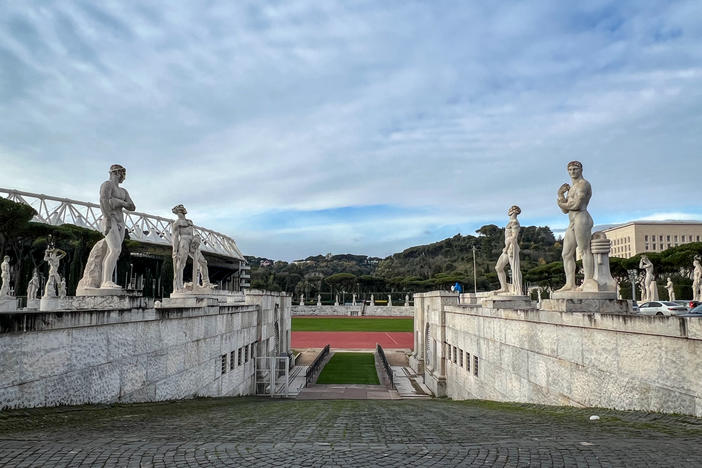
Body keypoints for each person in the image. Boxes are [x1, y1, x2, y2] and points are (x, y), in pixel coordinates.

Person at [556, 161, 595, 292]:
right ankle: (570, 284)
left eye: (575, 169)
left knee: (584, 250)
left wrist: (561, 203)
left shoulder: (583, 185)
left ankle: (588, 281)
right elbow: (565, 211)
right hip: (572, 221)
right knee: (566, 254)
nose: (572, 172)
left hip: (582, 218)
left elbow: (576, 205)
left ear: (581, 170)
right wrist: (561, 195)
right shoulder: (572, 188)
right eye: (570, 170)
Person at [99, 164, 136, 288]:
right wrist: (108, 219)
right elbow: (104, 201)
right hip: (110, 219)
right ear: (117, 173)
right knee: (115, 250)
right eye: (123, 174)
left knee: (113, 251)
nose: (124, 178)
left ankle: (106, 280)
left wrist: (119, 202)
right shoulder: (107, 185)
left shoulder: (123, 191)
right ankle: (106, 281)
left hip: (120, 222)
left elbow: (132, 207)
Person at [494, 205, 523, 295]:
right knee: (498, 267)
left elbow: (513, 238)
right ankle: (504, 288)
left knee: (514, 268)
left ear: (513, 212)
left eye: (511, 210)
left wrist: (506, 249)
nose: (509, 211)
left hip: (511, 248)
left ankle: (518, 289)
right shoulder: (511, 222)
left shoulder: (514, 222)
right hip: (507, 247)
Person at [171, 204, 195, 291]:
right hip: (184, 242)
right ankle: (179, 286)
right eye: (178, 212)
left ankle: (203, 283)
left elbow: (192, 234)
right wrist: (175, 250)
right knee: (181, 264)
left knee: (201, 261)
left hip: (191, 243)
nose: (180, 214)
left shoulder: (190, 222)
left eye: (180, 212)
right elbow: (175, 237)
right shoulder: (176, 223)